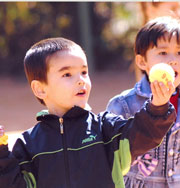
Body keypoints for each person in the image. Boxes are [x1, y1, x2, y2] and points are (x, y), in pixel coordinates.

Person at [0, 37, 176, 188]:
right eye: (67, 74)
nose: (81, 80)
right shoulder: (28, 145)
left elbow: (145, 133)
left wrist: (158, 106)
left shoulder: (106, 129)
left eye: (84, 72)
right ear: (40, 89)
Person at [107, 16, 180, 188]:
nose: (173, 60)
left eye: (179, 52)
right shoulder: (122, 104)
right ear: (142, 62)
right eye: (163, 53)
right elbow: (111, 157)